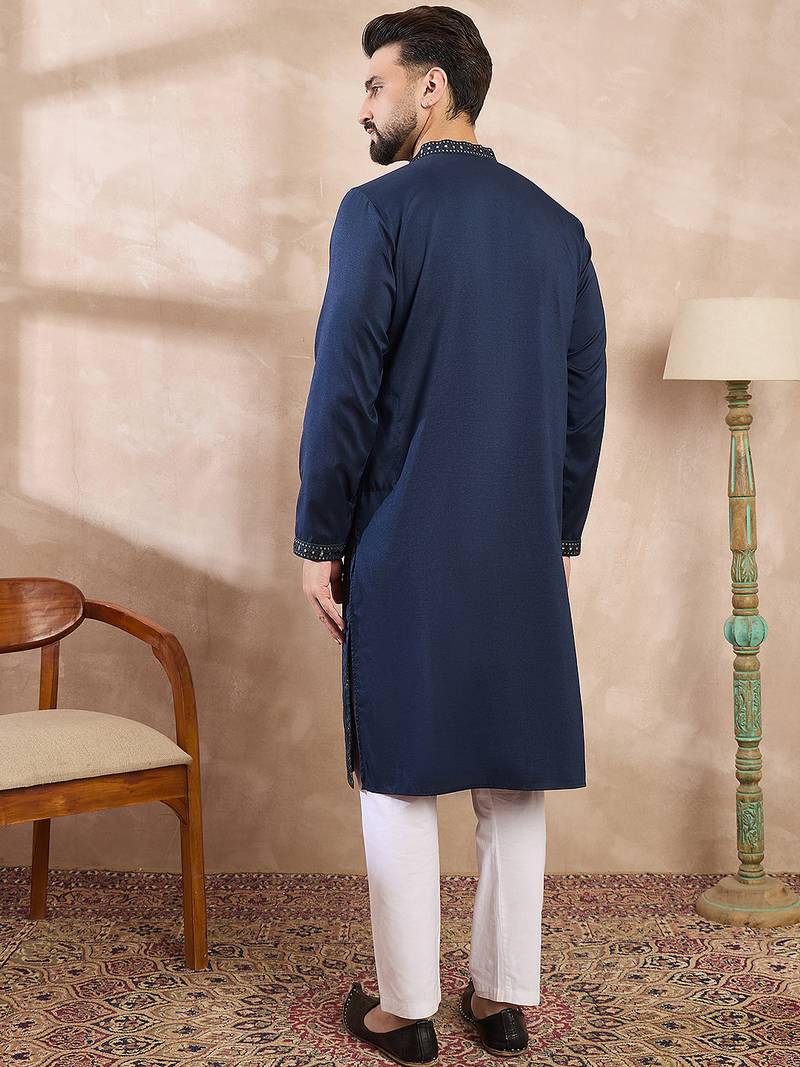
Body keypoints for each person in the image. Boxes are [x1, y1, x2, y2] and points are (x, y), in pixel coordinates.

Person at [293, 6, 607, 1063]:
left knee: (400, 769)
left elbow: (344, 387)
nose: (363, 105)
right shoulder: (557, 227)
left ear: (431, 88)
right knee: (512, 774)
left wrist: (319, 538)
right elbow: (583, 400)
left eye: (374, 83)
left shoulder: (377, 211)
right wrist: (554, 531)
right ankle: (503, 998)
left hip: (404, 537)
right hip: (520, 545)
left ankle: (406, 1009)